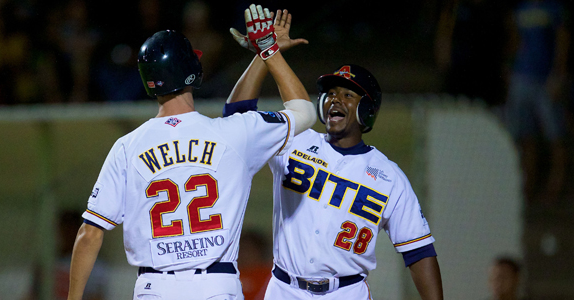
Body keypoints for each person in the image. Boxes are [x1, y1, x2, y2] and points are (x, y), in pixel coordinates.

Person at [67, 4, 316, 300]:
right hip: (215, 286)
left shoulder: (127, 146)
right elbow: (304, 112)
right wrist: (268, 51)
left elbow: (90, 233)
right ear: (191, 72)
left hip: (154, 288)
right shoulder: (232, 134)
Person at [224, 9, 443, 299]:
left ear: (367, 110)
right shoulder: (294, 139)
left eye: (348, 95)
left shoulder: (389, 176)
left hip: (346, 291)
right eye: (330, 93)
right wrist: (264, 53)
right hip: (284, 289)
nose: (335, 99)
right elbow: (237, 119)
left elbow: (419, 252)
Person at [503, 0, 570, 205]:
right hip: (521, 76)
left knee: (555, 135)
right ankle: (527, 186)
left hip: (544, 79)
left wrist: (558, 75)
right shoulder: (520, 9)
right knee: (525, 134)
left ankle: (556, 186)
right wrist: (509, 66)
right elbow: (514, 40)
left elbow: (562, 41)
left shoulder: (554, 8)